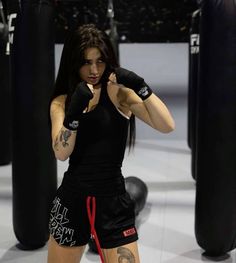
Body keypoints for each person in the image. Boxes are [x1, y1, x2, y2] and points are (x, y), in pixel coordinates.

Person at [47, 23, 175, 263]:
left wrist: (140, 85)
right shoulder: (61, 102)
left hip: (114, 203)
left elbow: (167, 125)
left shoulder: (118, 94)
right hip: (71, 201)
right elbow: (61, 153)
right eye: (86, 62)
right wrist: (73, 115)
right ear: (74, 63)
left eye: (100, 61)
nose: (94, 70)